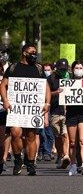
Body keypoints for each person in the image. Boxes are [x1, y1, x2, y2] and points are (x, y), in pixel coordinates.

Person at [0, 43, 51, 175]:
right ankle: (18, 161)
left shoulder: (38, 69)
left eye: (35, 52)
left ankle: (30, 164)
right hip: (16, 108)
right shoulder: (13, 68)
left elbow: (46, 88)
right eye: (32, 52)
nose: (34, 54)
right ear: (24, 53)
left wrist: (47, 103)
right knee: (15, 133)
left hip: (33, 109)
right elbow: (3, 85)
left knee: (31, 135)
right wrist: (5, 100)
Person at [47, 58, 71, 169]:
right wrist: (57, 92)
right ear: (56, 68)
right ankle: (60, 154)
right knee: (57, 136)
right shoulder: (50, 78)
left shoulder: (70, 78)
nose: (63, 71)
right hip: (55, 111)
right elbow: (46, 94)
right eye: (61, 69)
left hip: (67, 112)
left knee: (65, 135)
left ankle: (66, 156)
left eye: (65, 69)